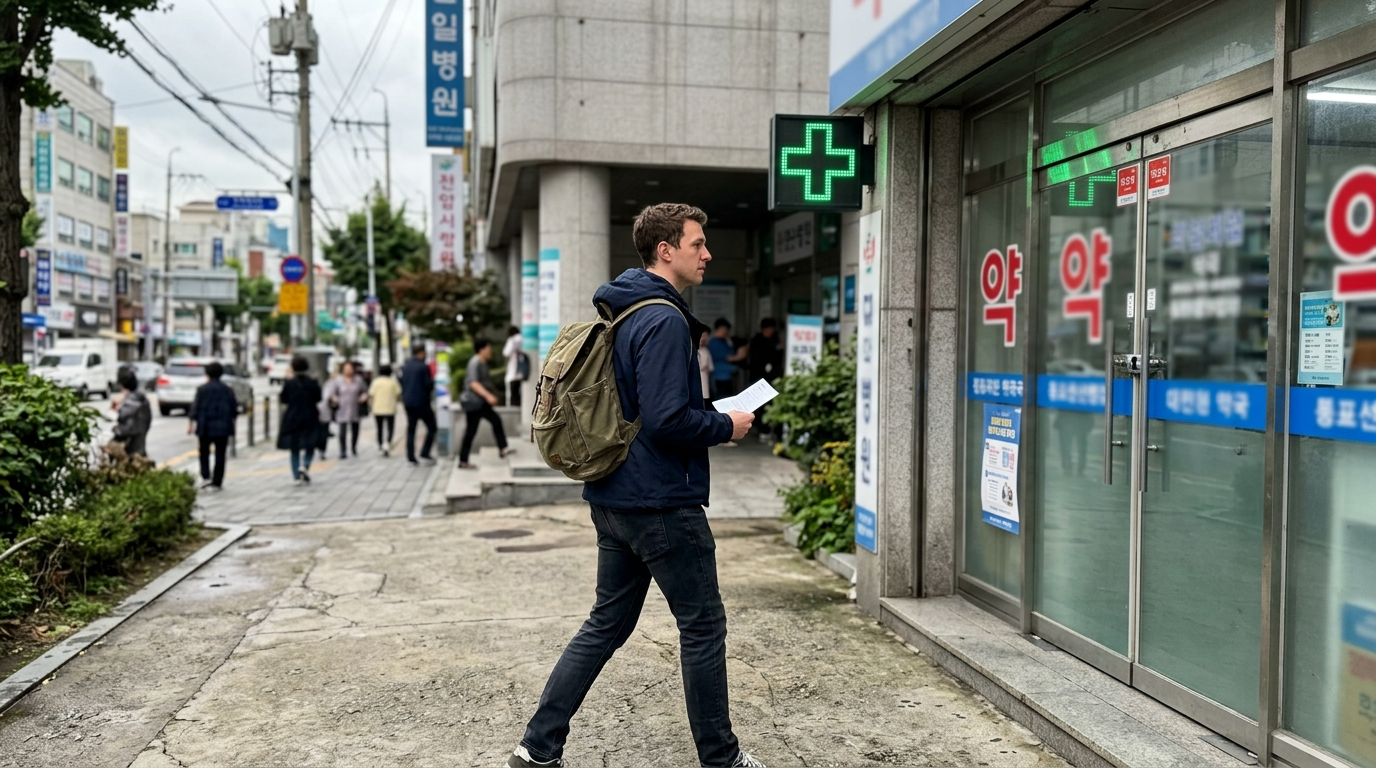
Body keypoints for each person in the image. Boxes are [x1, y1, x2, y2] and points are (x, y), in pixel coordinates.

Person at [507, 203, 761, 768]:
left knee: (606, 623)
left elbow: (646, 409)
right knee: (702, 627)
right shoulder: (665, 319)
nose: (707, 253)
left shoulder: (622, 313)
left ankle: (536, 747)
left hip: (615, 496)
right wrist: (727, 424)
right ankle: (721, 759)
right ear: (665, 250)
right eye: (697, 243)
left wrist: (709, 413)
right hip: (662, 501)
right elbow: (669, 420)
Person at [457, 339, 516, 469]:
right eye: (489, 349)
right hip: (474, 402)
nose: (491, 351)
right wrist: (488, 396)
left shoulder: (481, 363)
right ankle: (463, 460)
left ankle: (502, 448)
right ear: (481, 349)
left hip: (479, 402)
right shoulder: (475, 362)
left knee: (494, 422)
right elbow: (473, 383)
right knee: (472, 430)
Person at [187, 361, 237, 490]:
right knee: (221, 453)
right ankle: (217, 480)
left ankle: (205, 477)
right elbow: (234, 409)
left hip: (205, 426)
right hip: (223, 427)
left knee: (204, 452)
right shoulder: (227, 390)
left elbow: (195, 408)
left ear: (207, 373)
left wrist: (190, 423)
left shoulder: (202, 389)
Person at [277, 356, 322, 484]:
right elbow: (319, 398)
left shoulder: (289, 383)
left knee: (294, 447)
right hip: (310, 416)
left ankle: (296, 475)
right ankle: (305, 465)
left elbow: (283, 399)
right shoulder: (312, 382)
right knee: (310, 444)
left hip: (292, 417)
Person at [747, 318, 785, 443]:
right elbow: (754, 361)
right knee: (760, 406)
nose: (770, 331)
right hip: (758, 378)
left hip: (773, 378)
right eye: (768, 329)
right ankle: (763, 430)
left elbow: (779, 357)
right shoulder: (757, 341)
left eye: (772, 329)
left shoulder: (776, 340)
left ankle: (774, 431)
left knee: (772, 404)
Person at [400, 344, 437, 465]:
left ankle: (411, 457)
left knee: (411, 430)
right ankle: (425, 452)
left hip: (408, 402)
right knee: (432, 427)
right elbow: (428, 385)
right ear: (421, 352)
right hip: (422, 403)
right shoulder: (423, 367)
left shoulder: (406, 367)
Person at [326, 360, 368, 459]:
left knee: (355, 429)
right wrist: (334, 398)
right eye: (346, 369)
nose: (348, 371)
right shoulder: (338, 380)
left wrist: (363, 396)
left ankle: (354, 447)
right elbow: (332, 393)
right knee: (342, 431)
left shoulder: (358, 380)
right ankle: (343, 450)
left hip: (355, 408)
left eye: (350, 369)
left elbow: (365, 391)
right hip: (342, 408)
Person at [111, 369, 151, 457]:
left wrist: (116, 430)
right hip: (141, 440)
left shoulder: (131, 401)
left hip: (132, 445)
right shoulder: (142, 398)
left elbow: (123, 419)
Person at [368, 363, 402, 457]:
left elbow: (371, 395)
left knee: (379, 428)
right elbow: (398, 395)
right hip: (390, 408)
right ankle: (387, 443)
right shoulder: (393, 382)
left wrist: (371, 406)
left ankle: (380, 445)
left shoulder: (376, 382)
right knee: (390, 427)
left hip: (378, 409)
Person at [707, 317, 746, 398]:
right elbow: (728, 357)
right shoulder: (713, 343)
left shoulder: (726, 341)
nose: (726, 332)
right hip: (719, 377)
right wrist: (738, 357)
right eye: (724, 330)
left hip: (729, 376)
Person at [502, 324, 524, 408]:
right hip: (520, 368)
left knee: (512, 391)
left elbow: (506, 353)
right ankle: (517, 404)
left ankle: (513, 405)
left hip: (514, 368)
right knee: (518, 390)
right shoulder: (521, 339)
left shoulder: (513, 340)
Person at [697, 329, 714, 408]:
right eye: (702, 336)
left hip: (705, 381)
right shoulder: (693, 350)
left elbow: (710, 367)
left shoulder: (706, 350)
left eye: (706, 336)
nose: (704, 339)